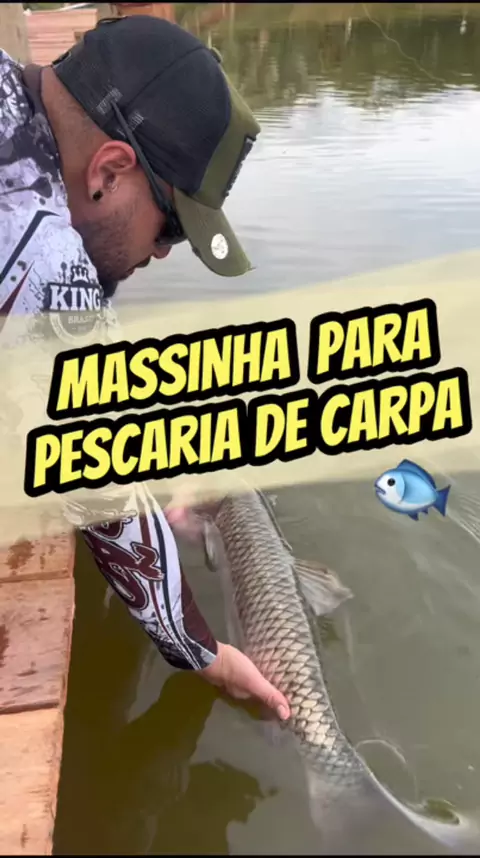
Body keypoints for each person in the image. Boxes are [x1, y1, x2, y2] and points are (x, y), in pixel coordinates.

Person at [0, 15, 290, 721]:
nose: (160, 253)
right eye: (170, 227)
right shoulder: (44, 255)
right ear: (109, 170)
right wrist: (204, 653)